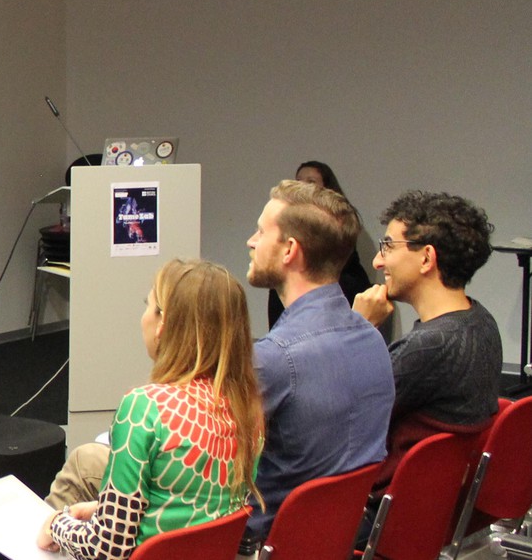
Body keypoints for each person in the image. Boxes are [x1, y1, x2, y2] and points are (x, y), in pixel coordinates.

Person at [36, 259, 265, 559]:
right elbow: (189, 514)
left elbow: (108, 549)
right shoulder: (248, 409)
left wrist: (57, 525)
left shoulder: (145, 409)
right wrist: (105, 511)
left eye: (149, 304)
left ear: (163, 325)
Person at [243, 179, 394, 544]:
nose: (251, 241)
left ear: (289, 250)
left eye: (262, 231)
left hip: (263, 540)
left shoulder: (275, 355)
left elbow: (200, 454)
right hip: (334, 538)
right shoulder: (373, 339)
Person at [353, 191, 501, 494]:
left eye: (388, 247)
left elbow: (343, 418)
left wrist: (359, 328)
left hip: (377, 514)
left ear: (426, 258)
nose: (378, 261)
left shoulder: (430, 346)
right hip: (432, 509)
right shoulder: (482, 321)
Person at [267, 161, 370, 328]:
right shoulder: (288, 219)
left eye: (310, 181)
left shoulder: (339, 218)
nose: (302, 186)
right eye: (298, 180)